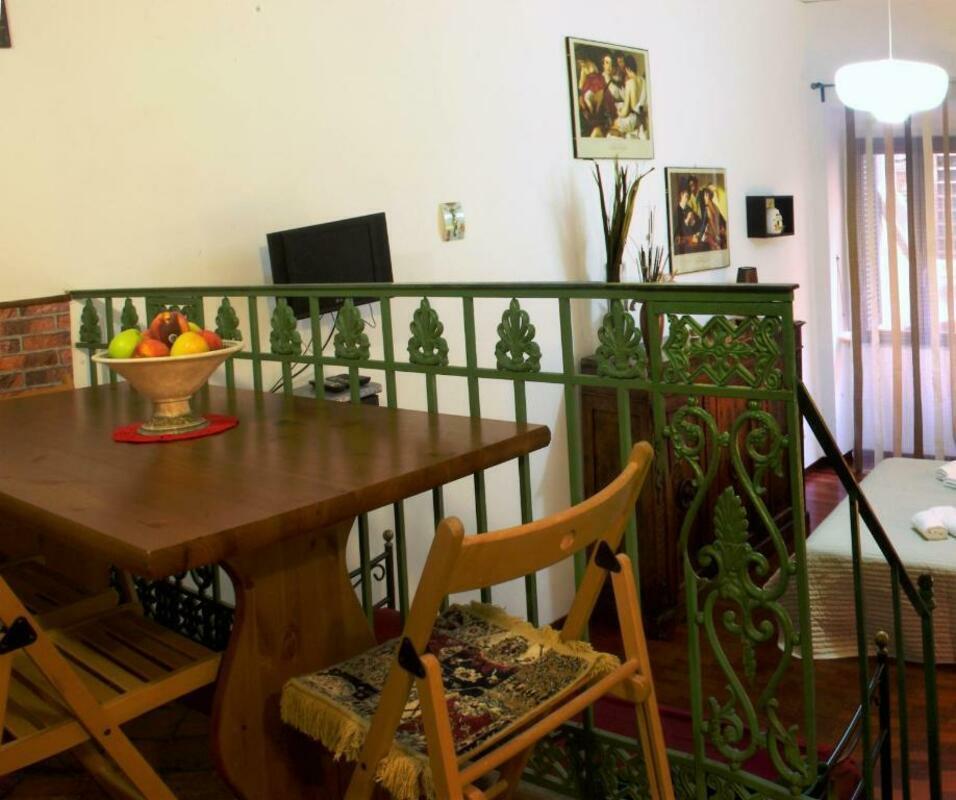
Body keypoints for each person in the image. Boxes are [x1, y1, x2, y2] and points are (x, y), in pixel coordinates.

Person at [612, 54, 646, 137]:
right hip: (641, 119)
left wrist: (618, 113)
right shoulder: (643, 81)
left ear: (628, 68)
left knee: (613, 125)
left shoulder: (630, 83)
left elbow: (625, 111)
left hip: (633, 120)